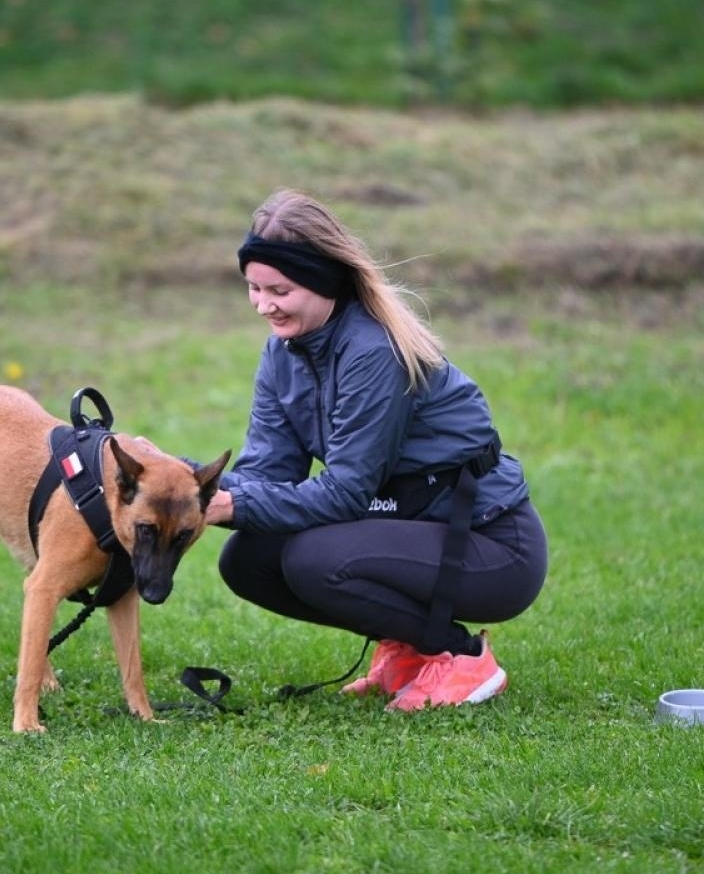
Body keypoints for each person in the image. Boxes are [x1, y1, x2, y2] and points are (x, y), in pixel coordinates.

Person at [204, 189, 549, 711]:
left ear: (322, 283)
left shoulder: (372, 350)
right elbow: (267, 472)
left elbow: (345, 493)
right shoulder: (283, 352)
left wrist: (232, 503)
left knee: (311, 559)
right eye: (252, 288)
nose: (263, 305)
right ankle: (411, 653)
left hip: (491, 546)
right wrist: (180, 483)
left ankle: (461, 657)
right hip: (408, 528)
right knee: (249, 560)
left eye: (279, 289)